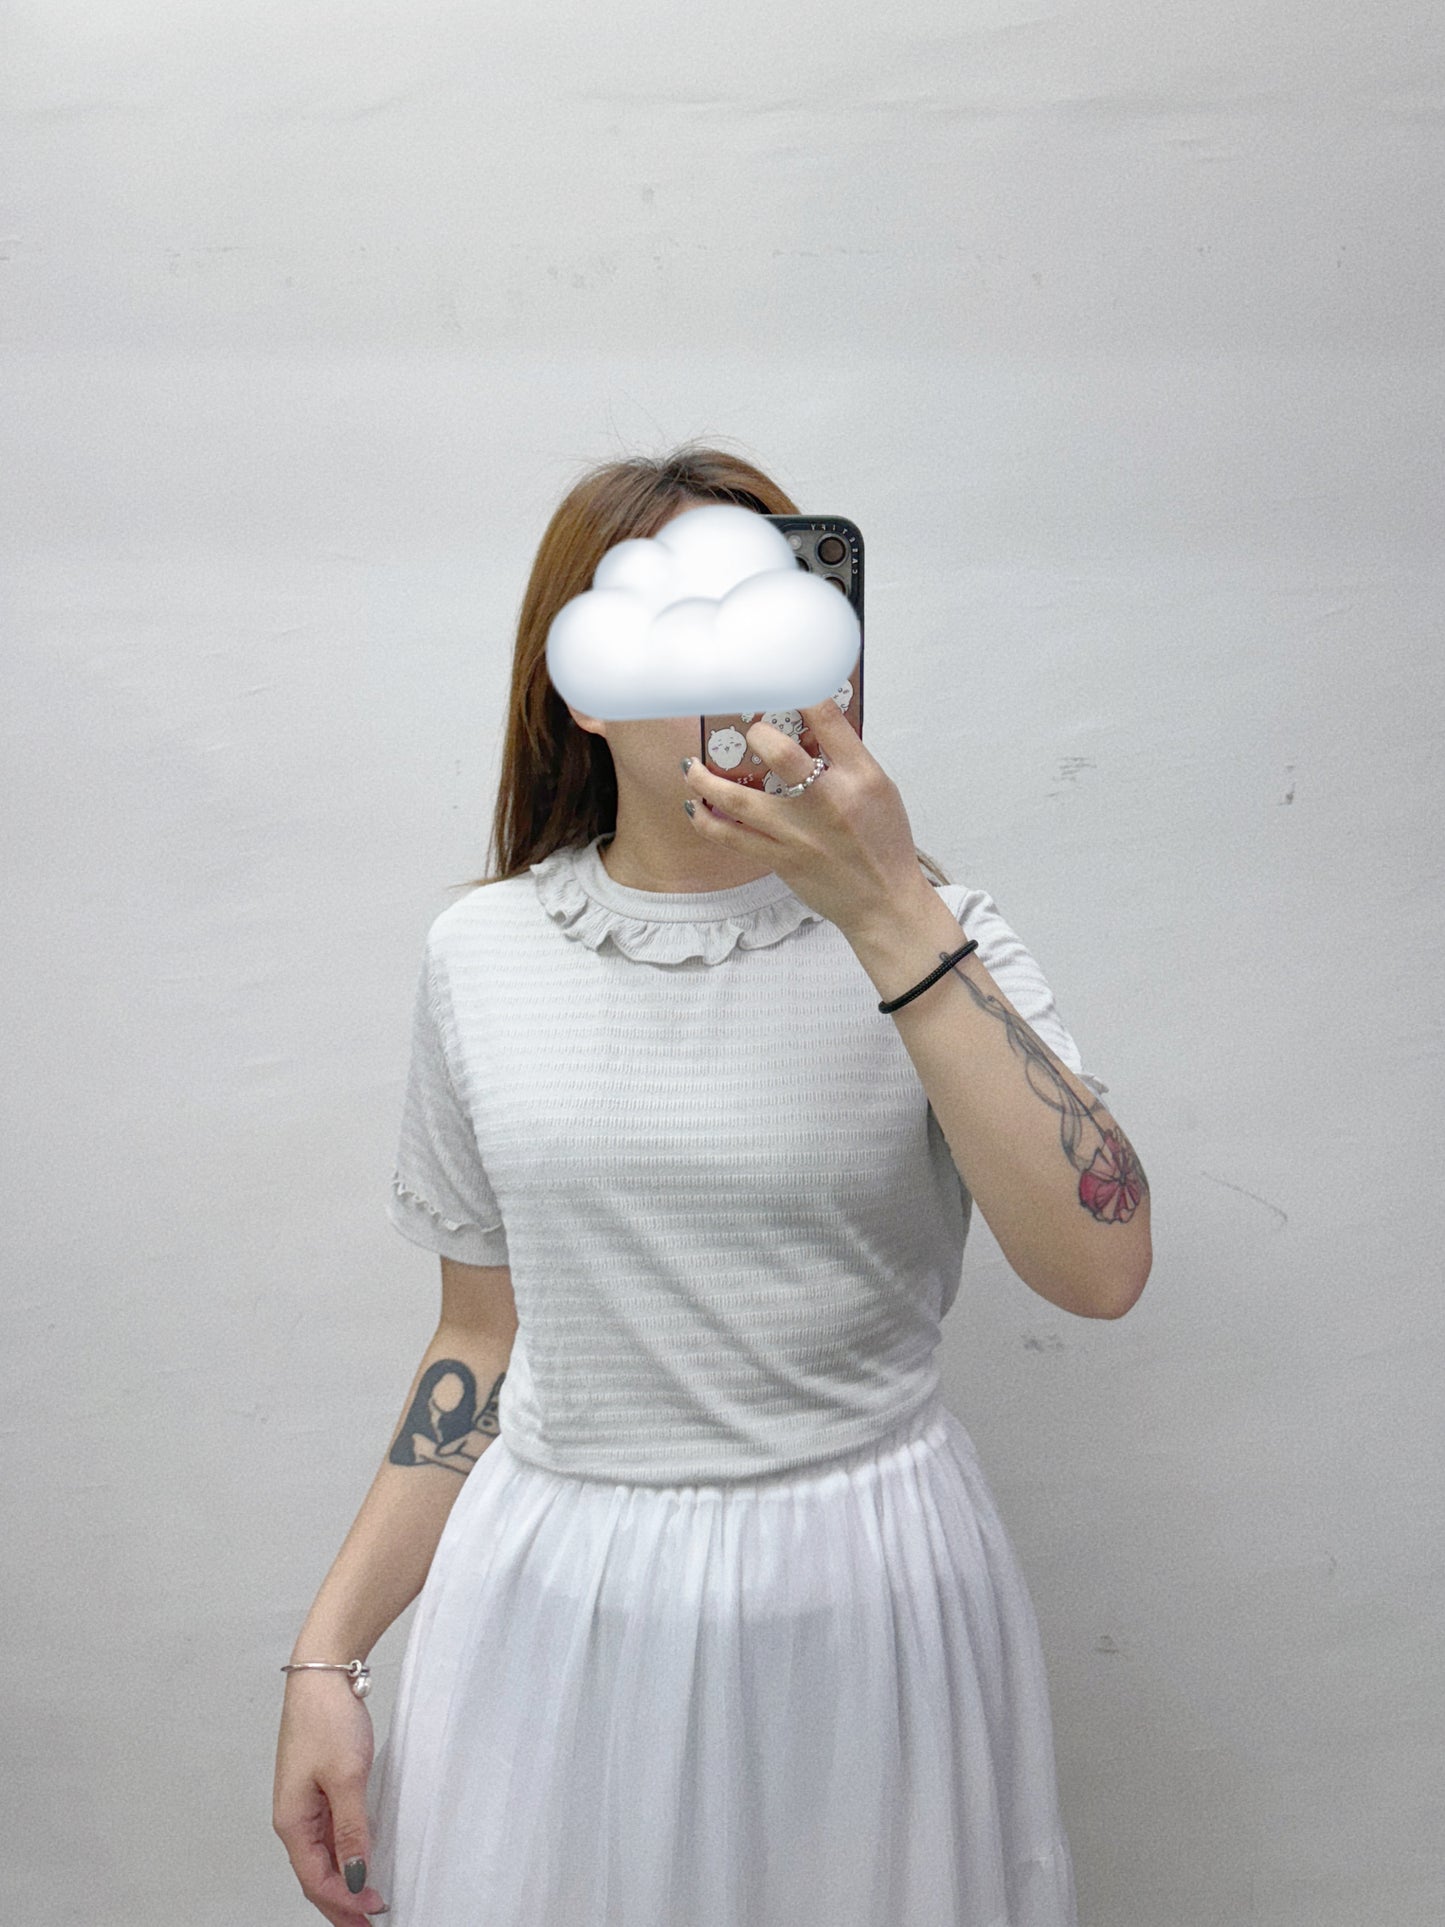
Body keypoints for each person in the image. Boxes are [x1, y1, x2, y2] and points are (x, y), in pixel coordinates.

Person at [273, 442, 1121, 1926]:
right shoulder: (481, 955)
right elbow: (482, 1333)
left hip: (865, 1594)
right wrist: (327, 1656)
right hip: (555, 1603)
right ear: (583, 685)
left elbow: (1100, 1265)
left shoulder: (941, 935)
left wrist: (887, 909)